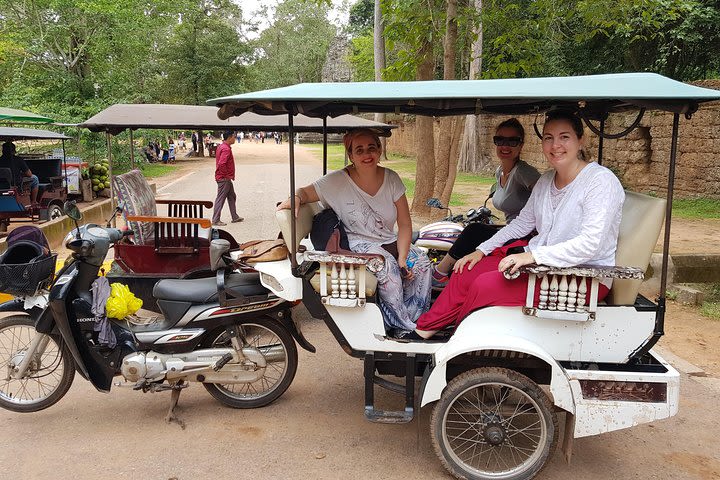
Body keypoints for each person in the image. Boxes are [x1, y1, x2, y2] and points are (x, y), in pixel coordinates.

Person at [410, 109, 625, 340]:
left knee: (484, 285)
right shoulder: (545, 181)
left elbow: (590, 244)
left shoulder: (600, 182)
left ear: (581, 140)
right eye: (548, 138)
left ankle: (459, 339)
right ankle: (425, 329)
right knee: (466, 270)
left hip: (581, 277)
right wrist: (481, 251)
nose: (555, 145)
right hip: (545, 269)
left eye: (565, 137)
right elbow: (522, 223)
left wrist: (531, 257)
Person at [276, 128, 432, 333]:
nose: (367, 154)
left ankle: (412, 322)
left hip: (388, 238)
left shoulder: (392, 179)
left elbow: (404, 224)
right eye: (359, 150)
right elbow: (304, 192)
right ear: (351, 155)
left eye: (371, 148)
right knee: (388, 268)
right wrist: (295, 198)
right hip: (357, 242)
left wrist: (403, 257)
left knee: (421, 263)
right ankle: (402, 328)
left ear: (379, 149)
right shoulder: (336, 181)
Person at [431, 118, 540, 290]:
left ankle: (439, 273)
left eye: (512, 141)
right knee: (475, 228)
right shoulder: (500, 171)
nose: (505, 146)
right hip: (510, 230)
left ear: (521, 145)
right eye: (500, 140)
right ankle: (445, 272)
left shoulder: (523, 172)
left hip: (525, 236)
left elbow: (546, 197)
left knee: (473, 231)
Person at [211, 130, 243, 226]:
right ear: (229, 137)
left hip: (224, 177)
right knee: (221, 198)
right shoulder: (226, 149)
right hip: (224, 178)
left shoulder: (222, 146)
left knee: (232, 196)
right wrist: (226, 175)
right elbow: (222, 163)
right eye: (233, 136)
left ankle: (234, 216)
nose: (235, 138)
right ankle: (216, 220)